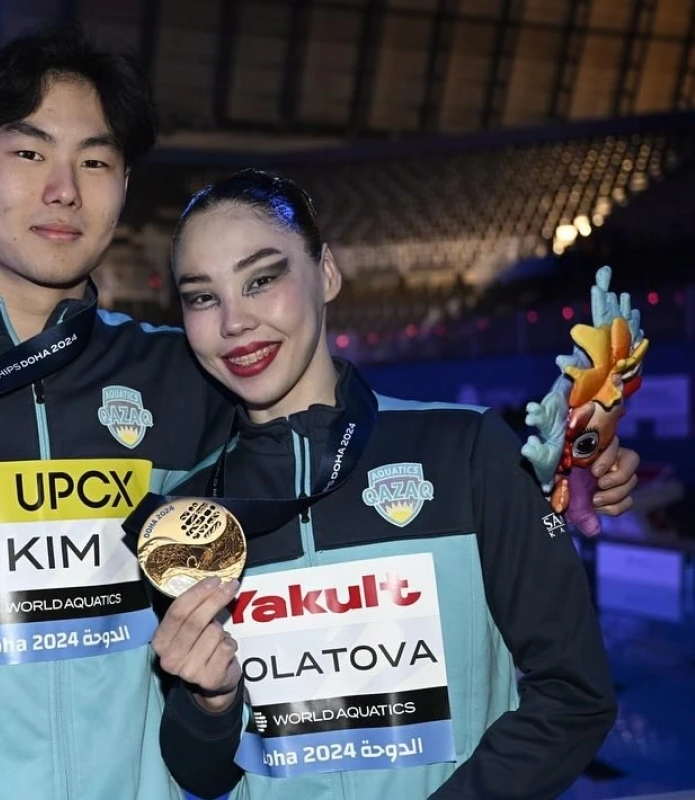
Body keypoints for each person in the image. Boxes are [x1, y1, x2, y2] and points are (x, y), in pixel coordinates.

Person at [0, 29, 640, 800]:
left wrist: (553, 476)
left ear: (123, 187)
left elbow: (333, 445)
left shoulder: (185, 377)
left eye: (95, 161)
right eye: (28, 152)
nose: (63, 189)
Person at [151, 169, 624, 800]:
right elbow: (201, 774)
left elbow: (575, 696)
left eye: (261, 279)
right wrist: (211, 705)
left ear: (326, 273)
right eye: (202, 297)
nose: (234, 321)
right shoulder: (187, 519)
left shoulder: (467, 449)